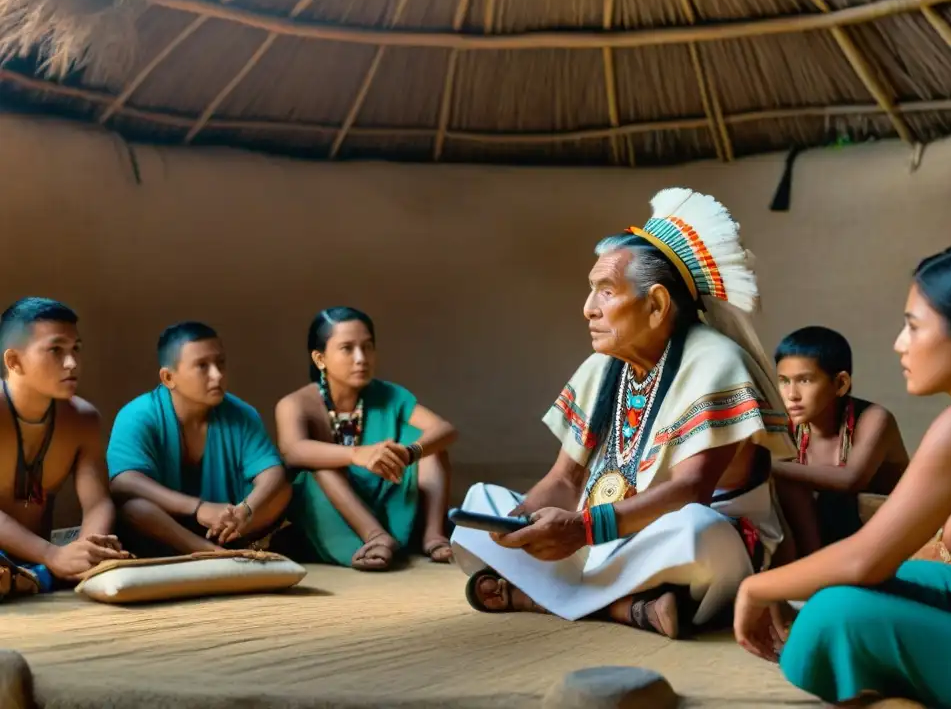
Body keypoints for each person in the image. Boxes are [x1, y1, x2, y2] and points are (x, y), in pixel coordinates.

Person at [450, 188, 796, 639]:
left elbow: (691, 490)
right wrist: (522, 526)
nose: (587, 308)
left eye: (605, 291)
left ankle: (536, 596)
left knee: (697, 531)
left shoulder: (716, 361)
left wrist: (582, 530)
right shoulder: (602, 365)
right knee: (482, 507)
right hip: (604, 535)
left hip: (690, 538)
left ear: (655, 305)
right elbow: (566, 481)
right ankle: (631, 607)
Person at [734, 245, 951, 708]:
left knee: (832, 612)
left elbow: (867, 558)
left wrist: (755, 586)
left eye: (912, 326)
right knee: (843, 585)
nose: (899, 343)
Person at [275, 307, 457, 571]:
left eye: (368, 347)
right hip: (334, 504)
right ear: (320, 359)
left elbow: (445, 429)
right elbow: (293, 451)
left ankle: (433, 534)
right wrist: (356, 454)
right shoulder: (296, 404)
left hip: (386, 488)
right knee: (320, 465)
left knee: (427, 443)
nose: (361, 358)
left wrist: (408, 453)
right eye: (347, 348)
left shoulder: (390, 395)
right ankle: (375, 537)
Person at [107, 322, 291, 556]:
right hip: (166, 525)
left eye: (220, 363)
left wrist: (246, 509)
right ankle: (209, 553)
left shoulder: (242, 414)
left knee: (282, 492)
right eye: (202, 366)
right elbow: (124, 481)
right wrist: (198, 508)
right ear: (168, 377)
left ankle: (229, 545)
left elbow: (272, 472)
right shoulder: (137, 415)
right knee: (135, 508)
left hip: (227, 525)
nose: (217, 375)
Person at [0, 297, 129, 598]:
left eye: (76, 349)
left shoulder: (83, 419)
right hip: (37, 557)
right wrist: (52, 555)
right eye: (56, 350)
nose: (71, 363)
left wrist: (89, 550)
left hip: (37, 560)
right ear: (14, 361)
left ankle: (30, 577)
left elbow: (98, 502)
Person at [772, 326, 908, 555]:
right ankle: (810, 572)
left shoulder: (874, 419)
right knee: (786, 485)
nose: (791, 394)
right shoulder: (788, 425)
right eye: (784, 381)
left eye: (804, 381)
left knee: (786, 475)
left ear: (840, 384)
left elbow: (850, 480)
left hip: (888, 538)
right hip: (823, 543)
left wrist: (765, 465)